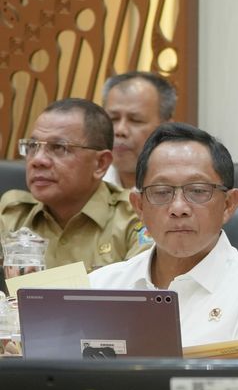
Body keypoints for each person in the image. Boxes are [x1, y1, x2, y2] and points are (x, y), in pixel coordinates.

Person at [90, 122, 238, 357]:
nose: (178, 208)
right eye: (161, 192)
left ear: (228, 205)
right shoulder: (101, 289)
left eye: (197, 191)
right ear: (139, 207)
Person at [0, 98, 147, 270]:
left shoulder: (134, 219)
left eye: (59, 148)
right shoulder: (11, 213)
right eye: (33, 146)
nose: (37, 160)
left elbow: (139, 292)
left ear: (100, 164)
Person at [102, 71, 176, 190]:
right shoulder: (86, 183)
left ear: (166, 129)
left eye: (135, 120)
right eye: (113, 118)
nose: (120, 130)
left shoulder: (185, 189)